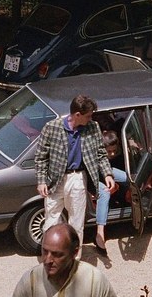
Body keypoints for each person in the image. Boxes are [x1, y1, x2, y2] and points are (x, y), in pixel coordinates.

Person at [35, 94, 115, 259]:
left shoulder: (93, 127)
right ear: (77, 115)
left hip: (78, 178)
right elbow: (41, 157)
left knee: (77, 223)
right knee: (51, 222)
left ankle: (74, 262)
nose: (91, 118)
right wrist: (42, 181)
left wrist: (107, 173)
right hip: (55, 181)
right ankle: (50, 259)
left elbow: (101, 154)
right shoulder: (52, 128)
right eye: (88, 116)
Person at [94, 130, 128, 253]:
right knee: (104, 193)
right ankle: (100, 233)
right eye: (109, 151)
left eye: (114, 150)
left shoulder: (118, 154)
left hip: (108, 172)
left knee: (129, 178)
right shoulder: (96, 154)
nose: (112, 153)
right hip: (94, 176)